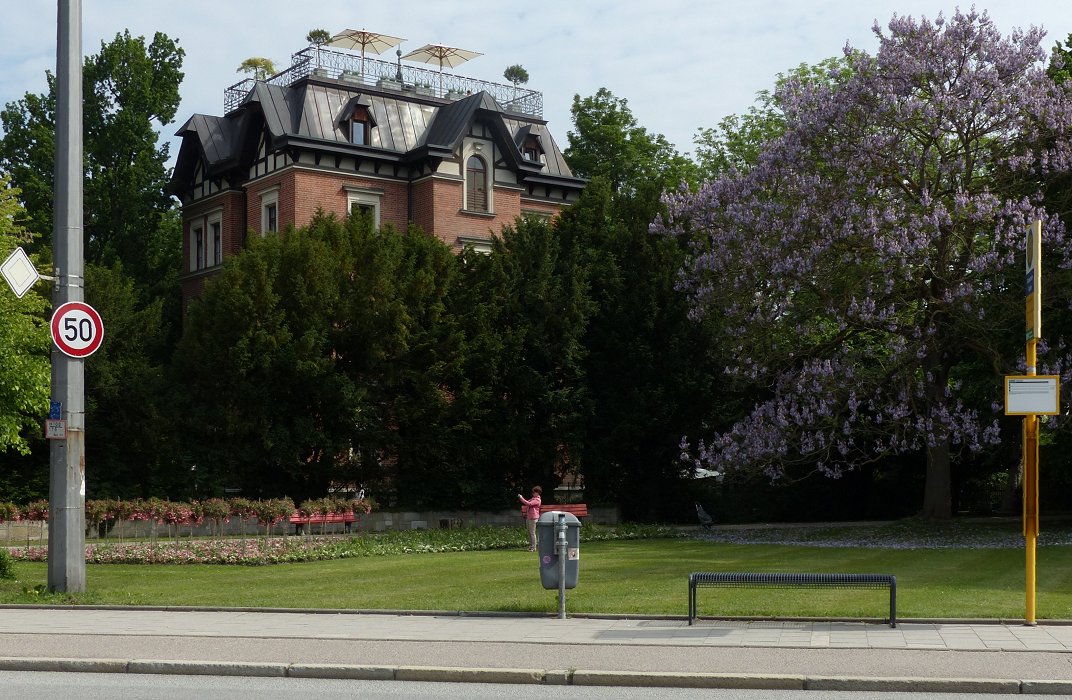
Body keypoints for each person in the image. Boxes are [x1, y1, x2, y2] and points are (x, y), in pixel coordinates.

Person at [517, 486, 542, 552]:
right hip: (529, 517)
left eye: (534, 492)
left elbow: (529, 503)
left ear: (538, 493)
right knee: (529, 532)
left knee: (532, 533)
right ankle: (531, 546)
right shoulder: (533, 498)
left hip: (533, 518)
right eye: (533, 492)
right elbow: (526, 502)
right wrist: (521, 498)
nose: (533, 493)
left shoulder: (537, 500)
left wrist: (521, 498)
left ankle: (534, 547)